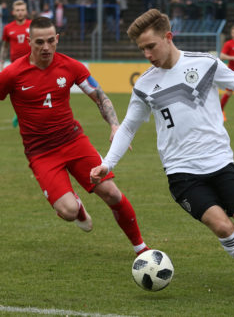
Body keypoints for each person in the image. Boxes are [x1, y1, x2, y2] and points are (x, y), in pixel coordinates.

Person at [90, 9, 234, 300]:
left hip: (221, 163)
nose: (147, 54)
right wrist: (106, 163)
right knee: (223, 227)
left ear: (168, 37)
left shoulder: (205, 64)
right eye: (142, 49)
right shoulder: (145, 84)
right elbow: (128, 127)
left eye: (151, 46)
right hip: (182, 174)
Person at [0, 17, 149, 256]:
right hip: (41, 154)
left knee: (111, 192)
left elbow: (100, 97)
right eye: (39, 42)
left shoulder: (70, 66)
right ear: (29, 41)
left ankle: (142, 249)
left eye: (51, 41)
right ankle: (77, 207)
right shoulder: (12, 74)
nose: (46, 47)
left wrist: (114, 126)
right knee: (68, 212)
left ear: (57, 39)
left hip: (73, 141)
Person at [0, 0, 31, 128]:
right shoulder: (8, 28)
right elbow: (5, 46)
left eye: (22, 10)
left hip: (32, 64)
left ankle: (24, 115)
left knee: (31, 91)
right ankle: (20, 114)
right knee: (17, 92)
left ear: (26, 11)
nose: (20, 12)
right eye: (18, 10)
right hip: (16, 66)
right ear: (13, 12)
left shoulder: (33, 25)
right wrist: (1, 62)